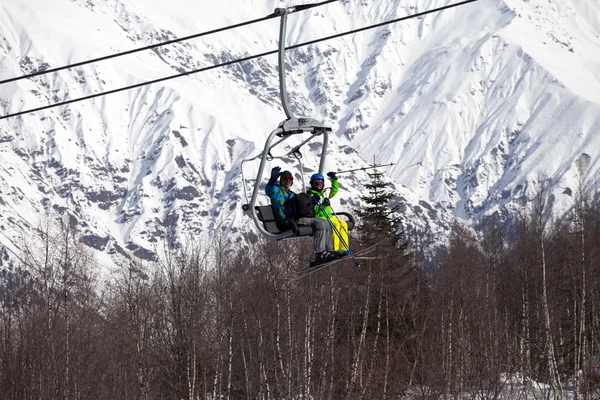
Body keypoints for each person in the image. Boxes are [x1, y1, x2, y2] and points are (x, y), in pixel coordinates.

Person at [265, 166, 338, 263]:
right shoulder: (276, 191)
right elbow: (269, 190)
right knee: (320, 224)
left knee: (326, 222)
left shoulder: (291, 193)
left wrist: (313, 201)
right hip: (288, 221)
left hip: (298, 218)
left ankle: (329, 250)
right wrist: (272, 179)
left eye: (290, 179)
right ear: (281, 180)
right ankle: (320, 253)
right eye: (285, 179)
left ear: (292, 181)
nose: (287, 181)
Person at [307, 172, 350, 255]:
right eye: (316, 183)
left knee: (342, 224)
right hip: (320, 217)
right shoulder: (311, 195)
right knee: (335, 226)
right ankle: (335, 248)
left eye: (321, 183)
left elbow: (334, 189)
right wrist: (322, 204)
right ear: (312, 184)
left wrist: (334, 179)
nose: (319, 185)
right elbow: (314, 209)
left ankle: (344, 248)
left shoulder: (324, 192)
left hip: (329, 216)